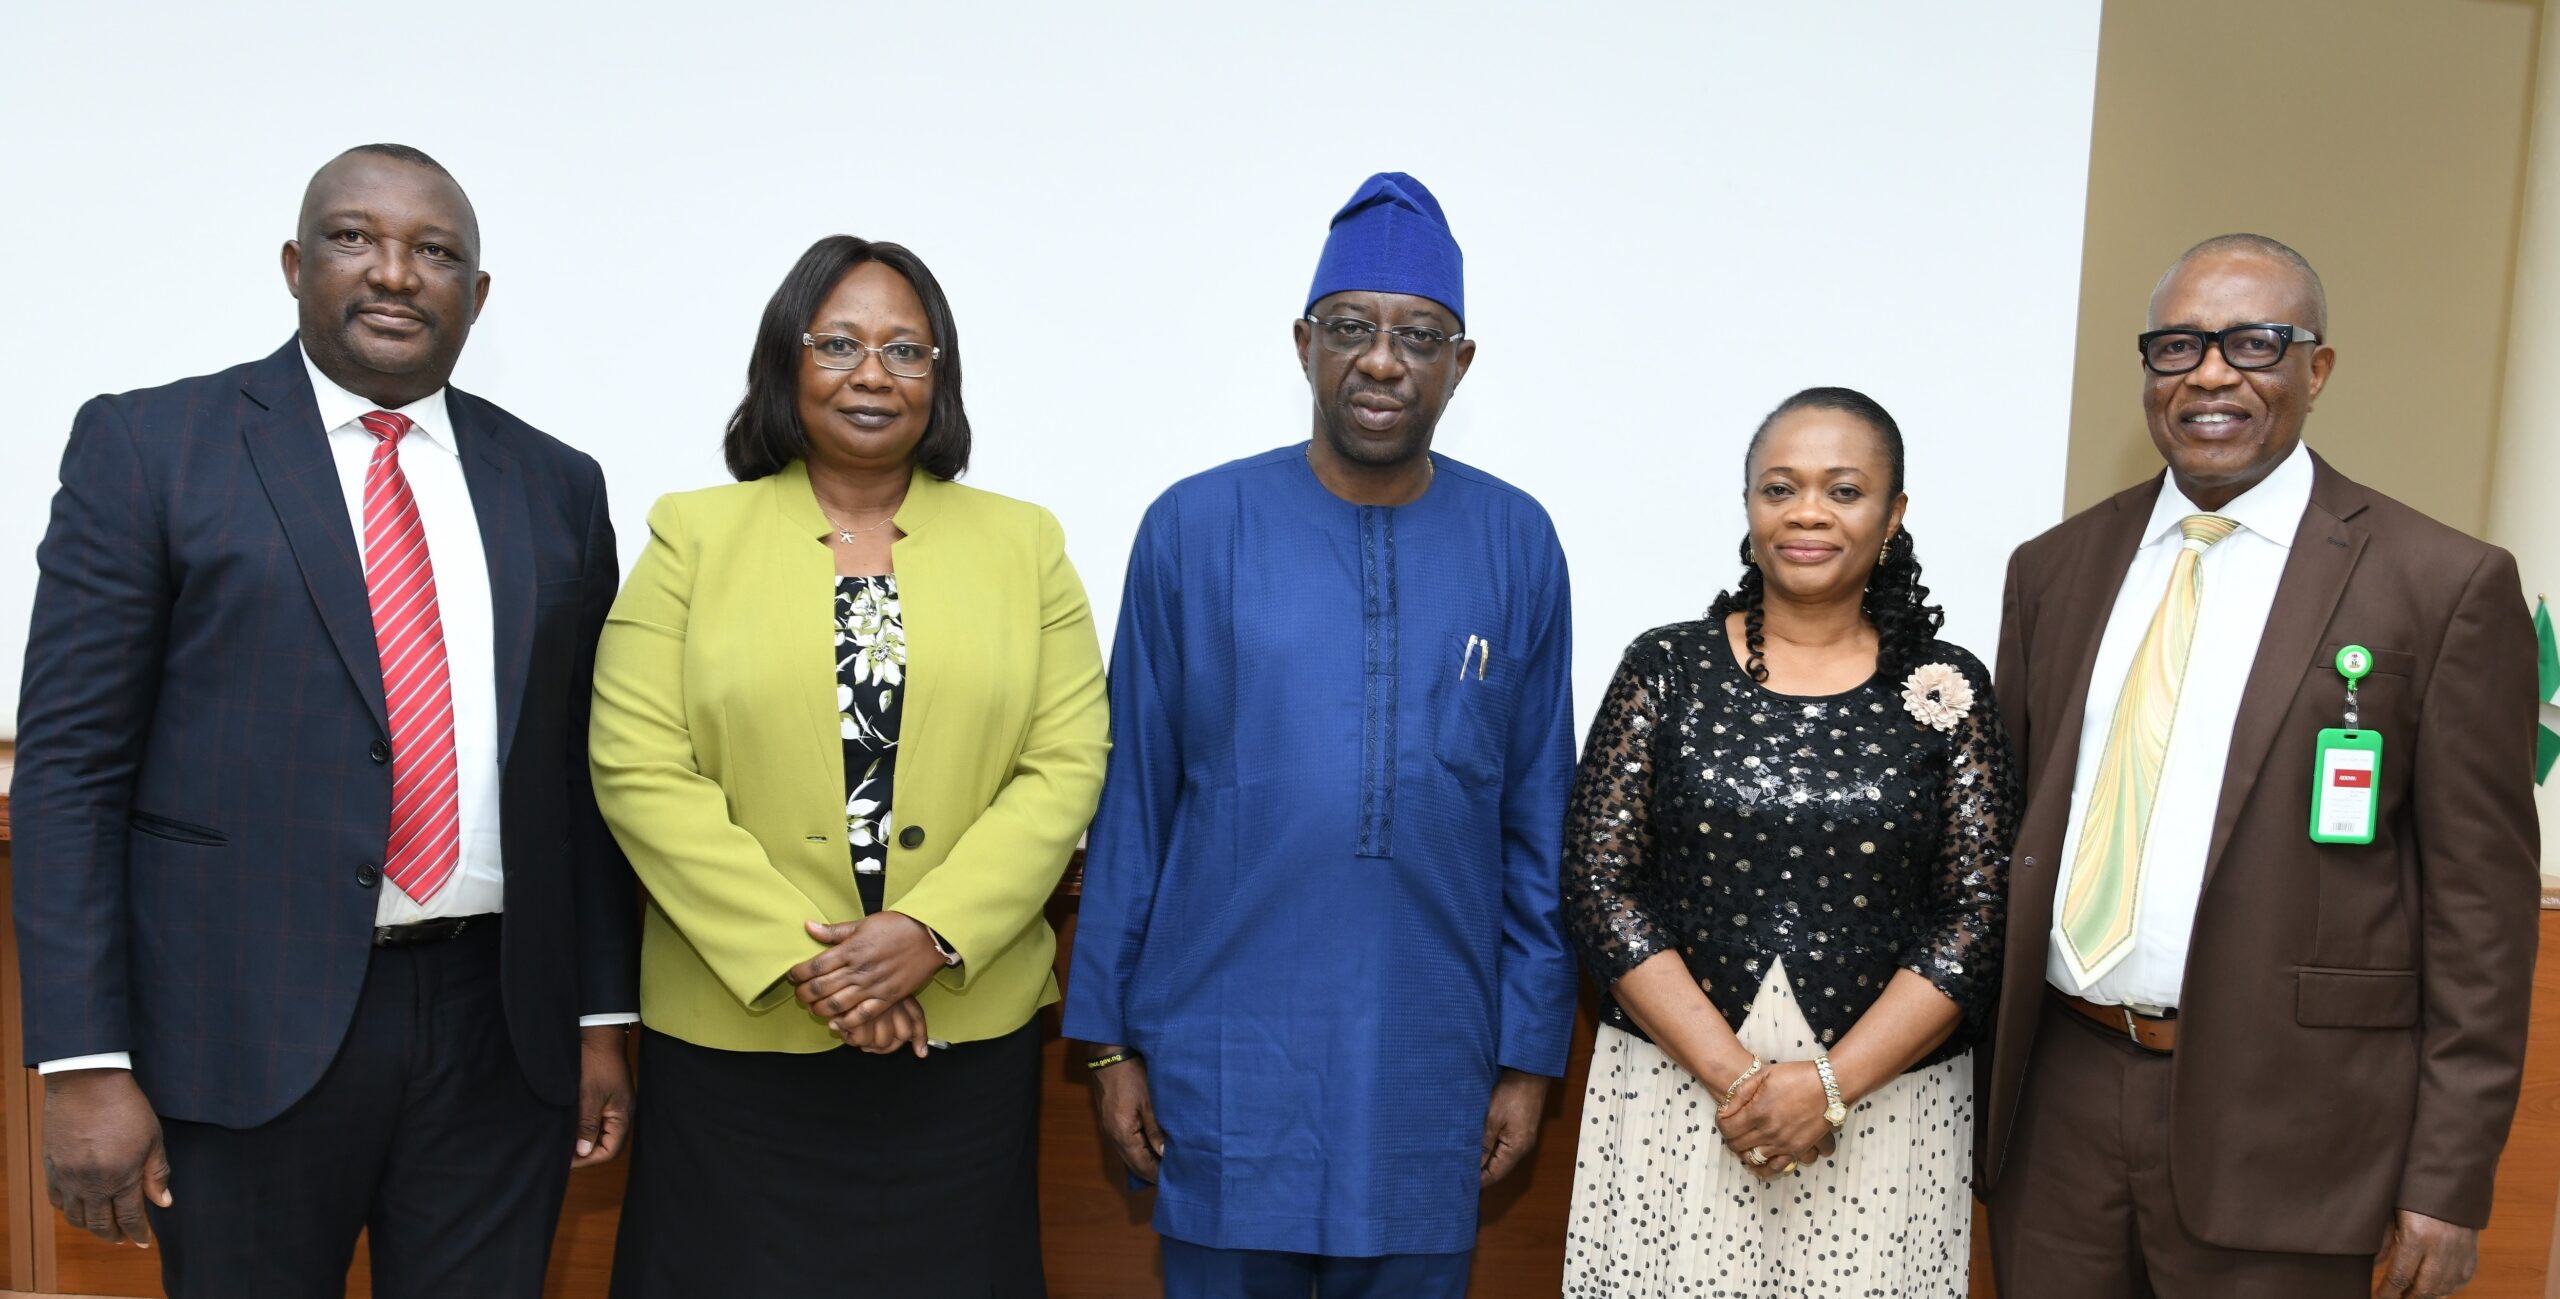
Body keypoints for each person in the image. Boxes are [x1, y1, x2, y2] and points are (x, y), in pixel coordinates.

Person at [13, 144, 638, 1298]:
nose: (396, 273)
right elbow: (68, 773)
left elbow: (577, 774)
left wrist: (601, 1014)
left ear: (478, 297)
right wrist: (83, 1060)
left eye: (435, 251)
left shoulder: (556, 484)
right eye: (356, 239)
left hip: (499, 1036)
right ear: (298, 266)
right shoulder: (152, 449)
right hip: (236, 1032)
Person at [1979, 234, 2542, 1299]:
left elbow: (2481, 915)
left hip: (2295, 1133)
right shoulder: (2052, 571)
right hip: (2058, 1110)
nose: (2209, 374)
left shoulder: (2440, 585)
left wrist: (2448, 1175)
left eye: (2254, 343)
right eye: (2177, 346)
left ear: (2315, 370)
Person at [1060, 172, 1578, 1299]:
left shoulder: (1517, 543)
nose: (1382, 361)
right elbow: (1134, 800)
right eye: (1351, 329)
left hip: (1427, 1068)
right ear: (1302, 344)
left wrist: (1531, 1057)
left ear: (1461, 363)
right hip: (1224, 1062)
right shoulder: (1194, 527)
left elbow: (1539, 826)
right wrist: (1108, 1042)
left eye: (1417, 336)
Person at [587, 234, 1108, 1297]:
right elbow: (636, 763)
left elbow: (1066, 762)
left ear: (940, 379)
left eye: (906, 351)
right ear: (786, 363)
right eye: (838, 343)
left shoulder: (1027, 544)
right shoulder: (691, 536)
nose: (873, 373)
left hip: (957, 1048)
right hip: (740, 1044)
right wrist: (815, 964)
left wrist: (926, 934)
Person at [1557, 387, 2014, 1297]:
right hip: (1679, 1091)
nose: (1807, 512)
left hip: (1887, 1100)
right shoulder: (1666, 666)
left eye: (1844, 490)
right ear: (1749, 506)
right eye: (1779, 487)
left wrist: (1830, 1087)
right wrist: (1743, 1084)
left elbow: (1978, 912)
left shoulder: (1946, 684)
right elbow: (1597, 882)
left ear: (1895, 514)